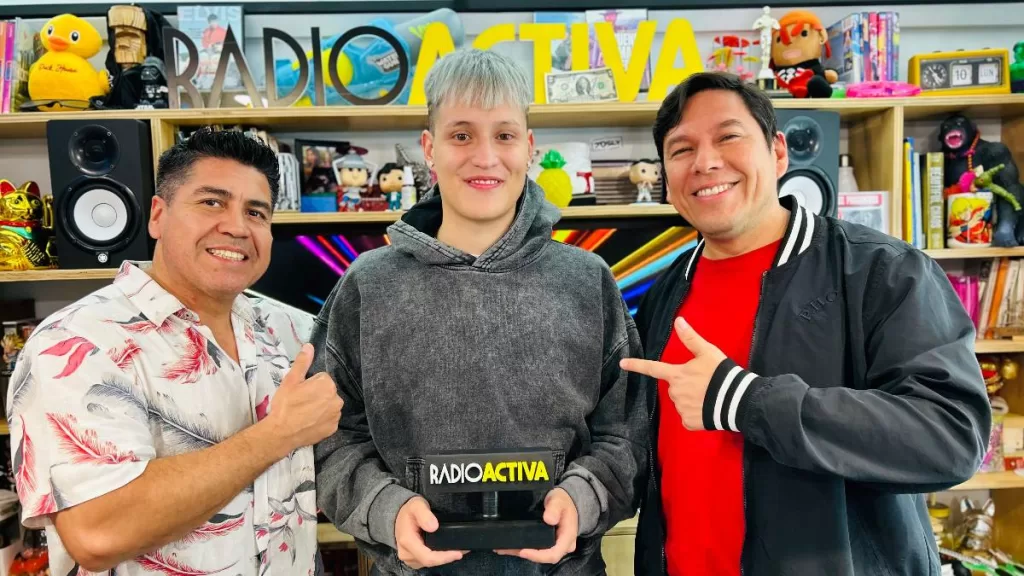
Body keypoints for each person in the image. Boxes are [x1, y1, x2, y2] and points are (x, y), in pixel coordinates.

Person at [623, 72, 990, 576]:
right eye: (681, 149)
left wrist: (746, 400)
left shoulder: (882, 271)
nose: (705, 162)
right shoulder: (664, 292)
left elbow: (950, 436)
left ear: (778, 152)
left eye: (728, 136)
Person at [311, 48, 647, 575]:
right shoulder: (367, 286)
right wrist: (385, 508)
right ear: (430, 148)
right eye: (462, 135)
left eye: (504, 135)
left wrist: (582, 497)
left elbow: (627, 434)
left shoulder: (587, 281)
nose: (486, 157)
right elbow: (330, 437)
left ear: (529, 148)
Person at [6, 128, 343, 575]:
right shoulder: (74, 344)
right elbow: (98, 533)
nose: (237, 227)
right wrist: (277, 435)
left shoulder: (289, 330)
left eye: (256, 212)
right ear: (158, 216)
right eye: (212, 202)